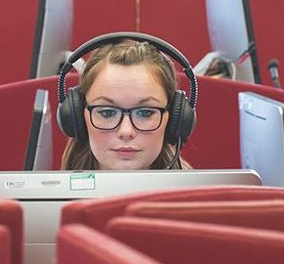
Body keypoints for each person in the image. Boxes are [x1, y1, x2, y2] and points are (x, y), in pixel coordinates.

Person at [60, 38, 192, 170]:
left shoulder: (198, 190)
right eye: (107, 112)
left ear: (173, 121)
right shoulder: (49, 191)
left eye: (145, 113)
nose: (126, 131)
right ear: (79, 117)